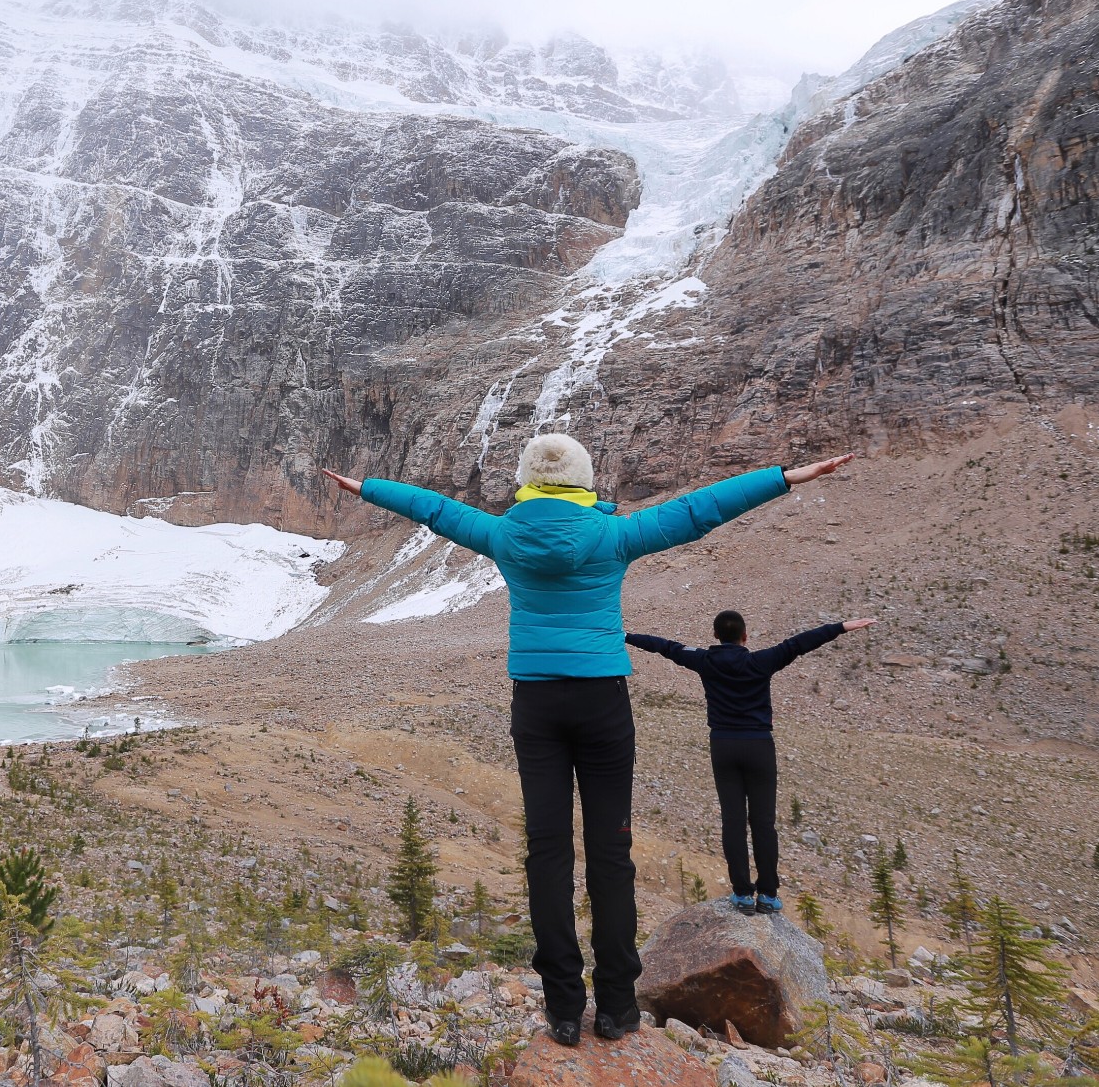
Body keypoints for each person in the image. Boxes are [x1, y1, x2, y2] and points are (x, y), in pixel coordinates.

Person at [321, 435, 853, 1047]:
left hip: (537, 705)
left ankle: (564, 1010)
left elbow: (434, 509)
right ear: (583, 481)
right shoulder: (614, 536)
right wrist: (785, 475)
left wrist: (368, 488)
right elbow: (700, 510)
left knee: (547, 853)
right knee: (611, 853)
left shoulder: (503, 536)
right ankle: (618, 1007)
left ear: (527, 482)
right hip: (603, 702)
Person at [626, 610, 876, 915]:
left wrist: (626, 636)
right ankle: (768, 895)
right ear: (745, 636)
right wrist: (842, 626)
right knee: (763, 823)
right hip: (758, 746)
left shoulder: (705, 660)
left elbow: (664, 646)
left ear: (715, 636)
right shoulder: (761, 661)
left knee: (733, 821)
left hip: (723, 746)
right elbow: (799, 643)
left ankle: (743, 894)